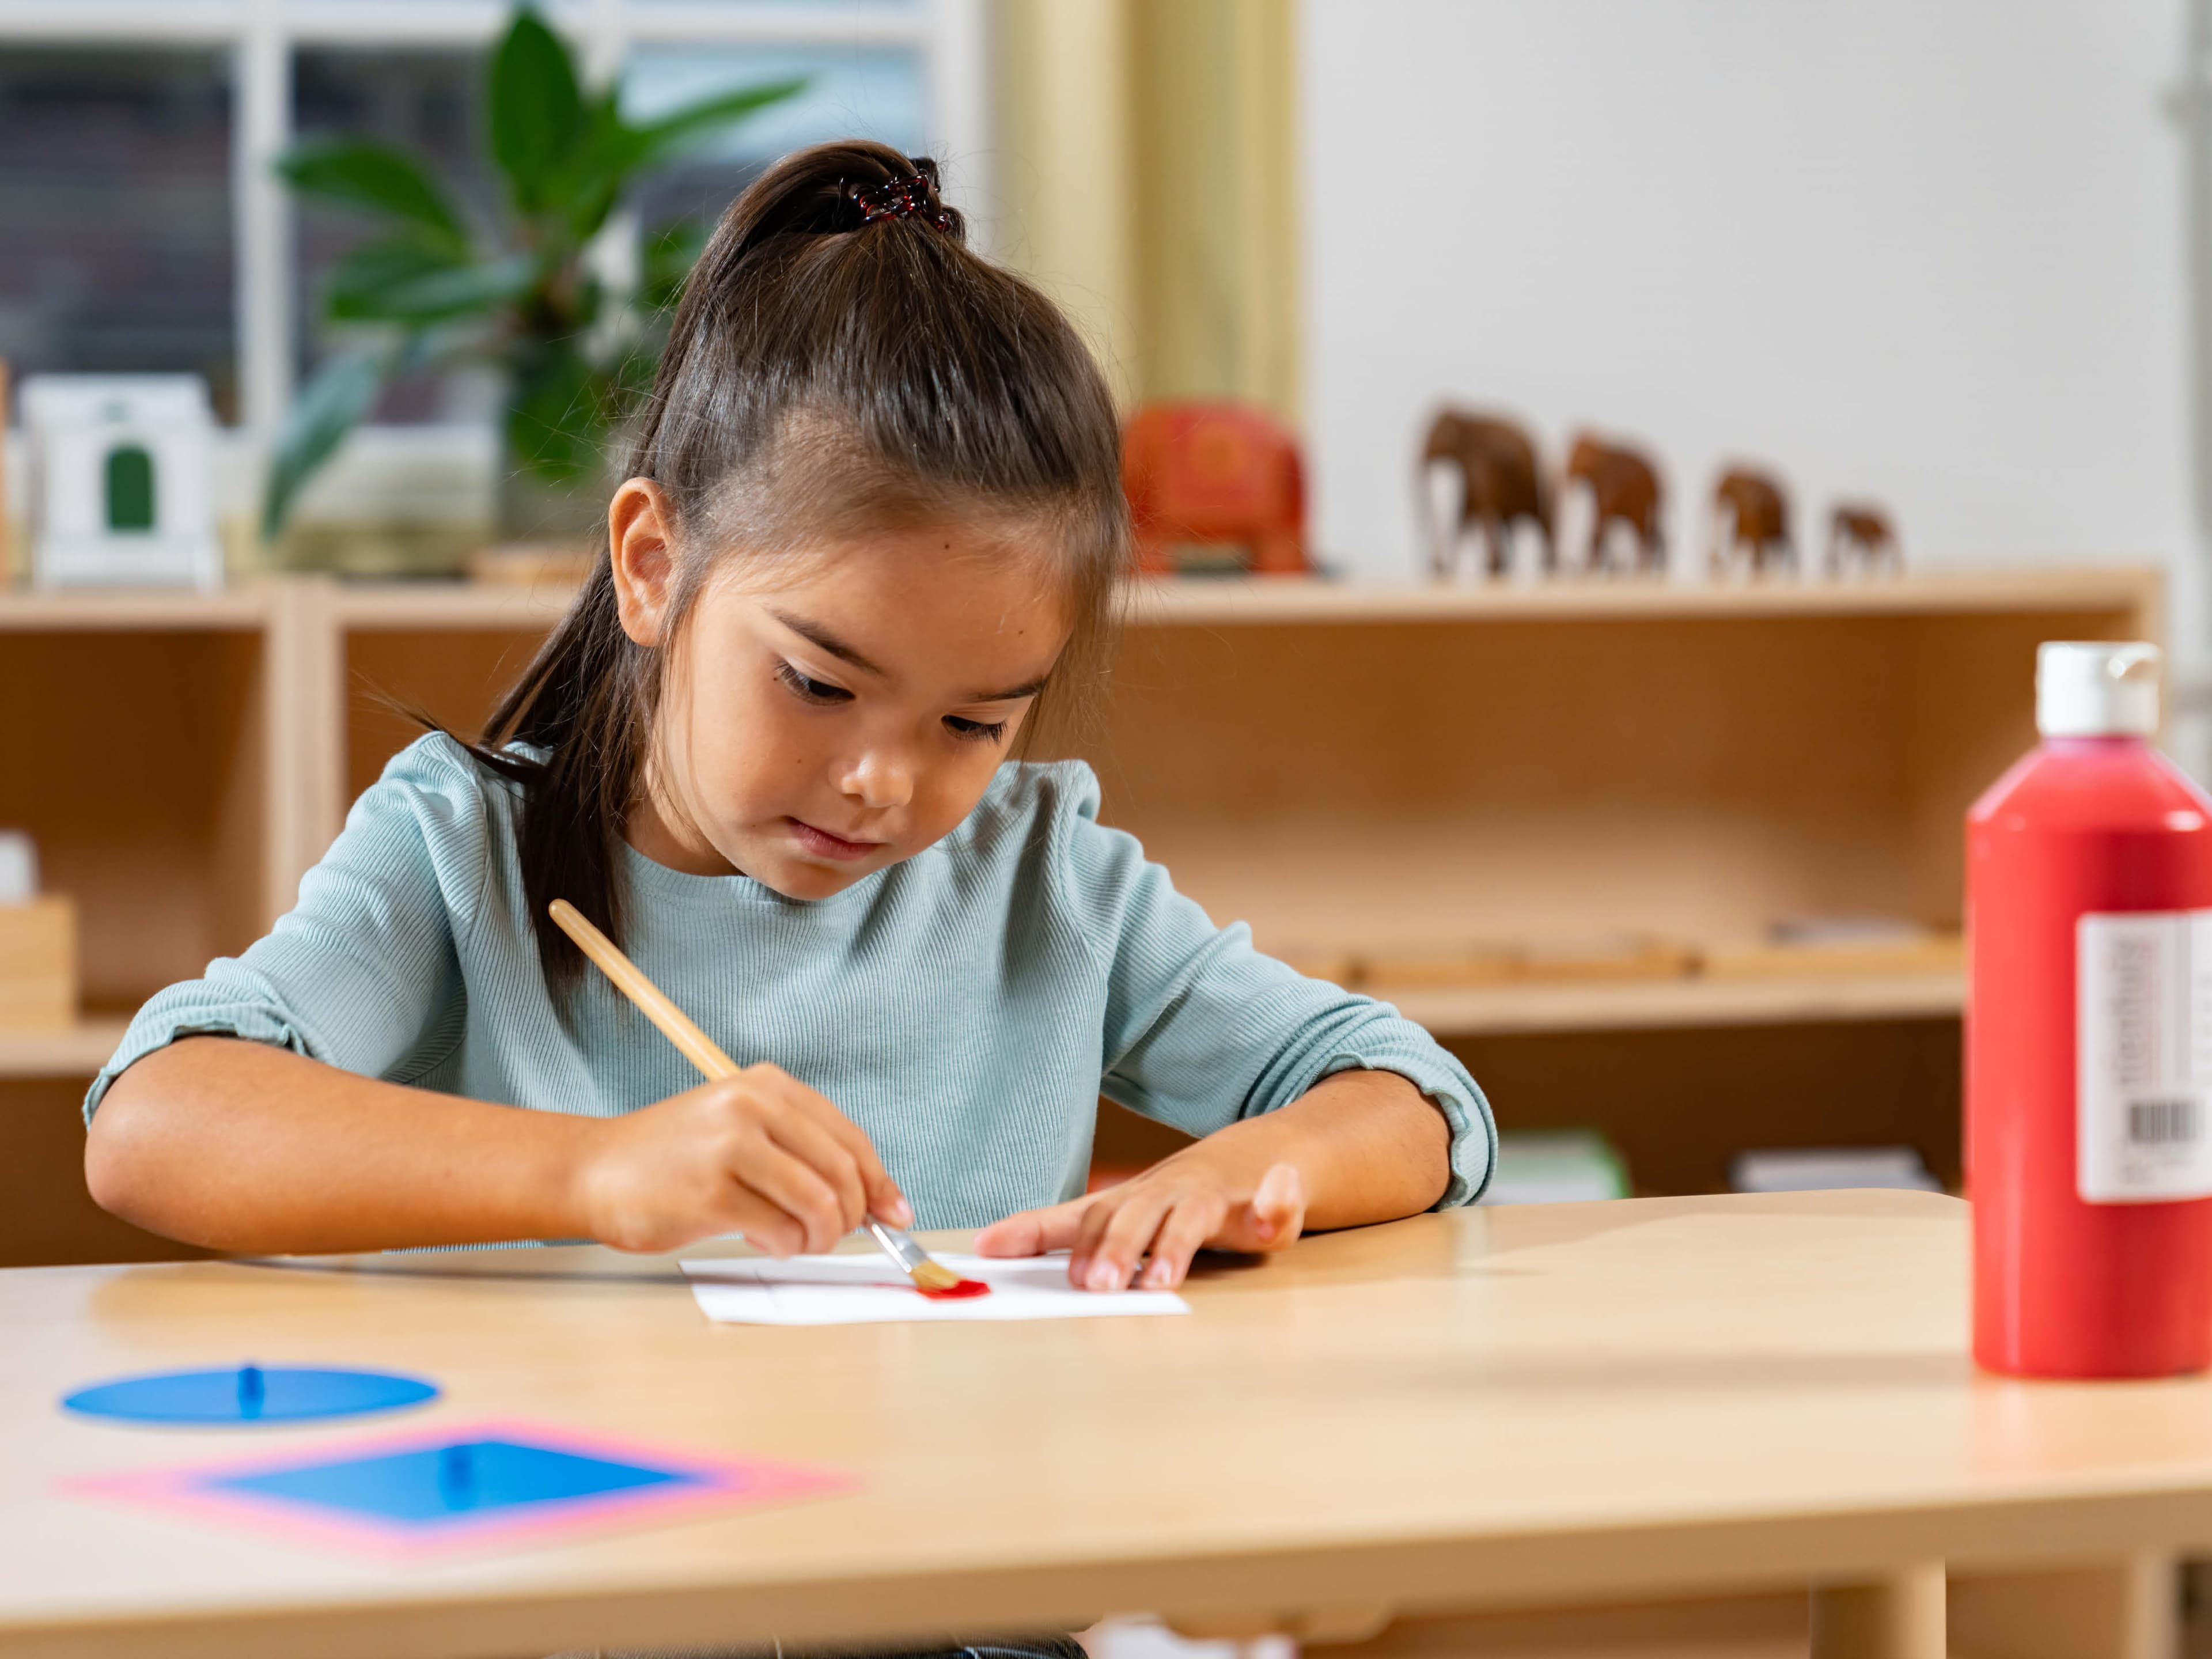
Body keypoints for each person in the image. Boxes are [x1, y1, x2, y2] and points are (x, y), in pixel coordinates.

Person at [84, 142, 1494, 1297]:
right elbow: (153, 1120)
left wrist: (1238, 1173)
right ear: (651, 565)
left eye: (974, 724)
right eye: (818, 683)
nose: (885, 781)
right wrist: (591, 1174)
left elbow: (1417, 1098)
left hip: (948, 1606)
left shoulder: (1042, 880)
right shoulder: (466, 853)